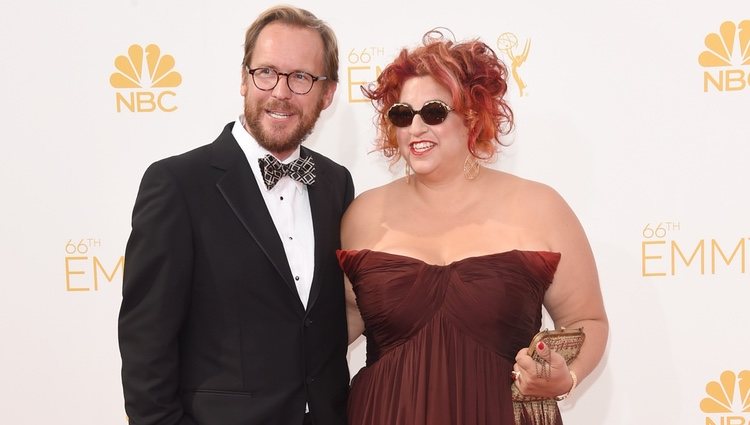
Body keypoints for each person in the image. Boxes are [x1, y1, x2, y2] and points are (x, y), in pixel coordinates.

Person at [338, 30, 608, 425]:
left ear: (472, 116)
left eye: (432, 112)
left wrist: (565, 378)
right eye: (402, 115)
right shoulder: (362, 213)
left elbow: (588, 320)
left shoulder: (541, 207)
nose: (415, 129)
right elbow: (333, 325)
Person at [118, 5, 353, 425]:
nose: (280, 91)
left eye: (301, 77)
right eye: (266, 72)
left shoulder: (336, 184)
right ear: (244, 79)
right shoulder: (177, 184)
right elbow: (146, 347)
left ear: (328, 93)